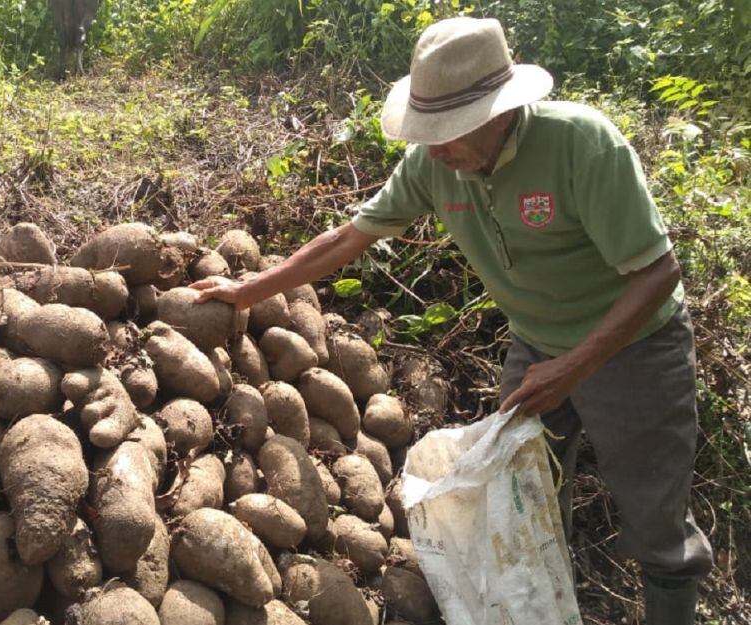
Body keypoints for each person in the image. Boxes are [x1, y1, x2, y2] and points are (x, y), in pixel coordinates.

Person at [192, 16, 712, 625]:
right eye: (427, 131)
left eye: (448, 131)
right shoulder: (434, 164)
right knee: (524, 499)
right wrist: (248, 290)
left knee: (656, 520)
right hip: (538, 344)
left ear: (499, 112)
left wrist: (573, 367)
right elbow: (348, 238)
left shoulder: (582, 145)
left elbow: (658, 274)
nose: (434, 148)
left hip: (635, 347)